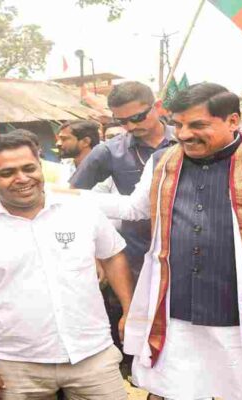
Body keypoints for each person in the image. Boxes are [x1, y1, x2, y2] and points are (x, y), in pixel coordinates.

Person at [82, 83, 242, 400]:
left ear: (232, 121)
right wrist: (65, 197)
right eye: (178, 124)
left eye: (197, 125)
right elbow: (135, 208)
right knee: (176, 390)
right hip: (175, 308)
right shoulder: (162, 161)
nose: (183, 134)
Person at [0, 134, 134, 400]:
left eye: (29, 168)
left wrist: (129, 310)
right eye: (7, 173)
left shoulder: (82, 210)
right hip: (16, 365)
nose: (22, 178)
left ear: (40, 167)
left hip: (93, 354)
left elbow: (113, 256)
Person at [70, 81, 175, 278]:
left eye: (137, 117)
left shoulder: (187, 141)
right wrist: (92, 251)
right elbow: (72, 197)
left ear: (158, 106)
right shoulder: (108, 152)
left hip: (188, 248)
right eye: (122, 121)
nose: (131, 126)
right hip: (137, 256)